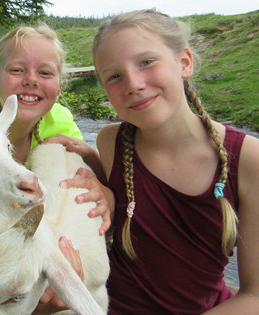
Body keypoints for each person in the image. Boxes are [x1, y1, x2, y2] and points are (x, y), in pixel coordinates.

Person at [92, 9, 259, 313]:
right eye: (114, 76)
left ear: (184, 62)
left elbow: (255, 296)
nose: (133, 83)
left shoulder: (248, 159)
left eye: (146, 62)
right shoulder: (109, 143)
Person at [0, 24, 114, 314]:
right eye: (17, 70)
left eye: (45, 73)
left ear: (59, 88)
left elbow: (76, 177)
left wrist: (95, 168)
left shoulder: (60, 118)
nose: (31, 80)